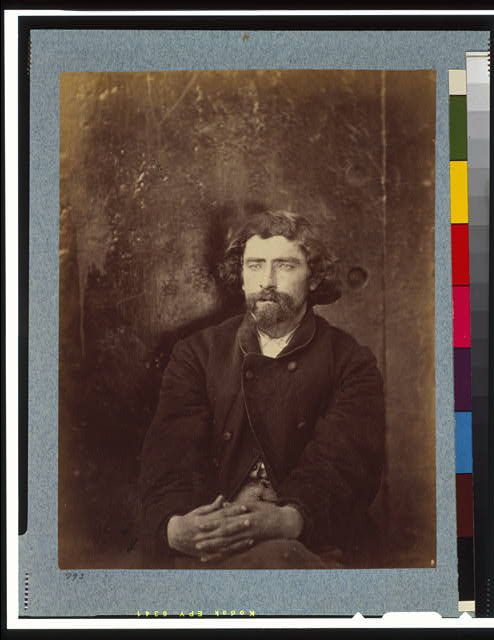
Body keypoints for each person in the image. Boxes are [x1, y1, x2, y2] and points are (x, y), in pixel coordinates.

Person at [138, 209, 385, 569]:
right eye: (254, 266)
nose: (266, 281)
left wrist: (288, 519)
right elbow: (168, 460)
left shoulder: (350, 362)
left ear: (313, 277)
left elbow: (345, 465)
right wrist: (175, 528)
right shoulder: (196, 353)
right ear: (240, 276)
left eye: (285, 266)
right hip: (211, 541)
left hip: (311, 540)